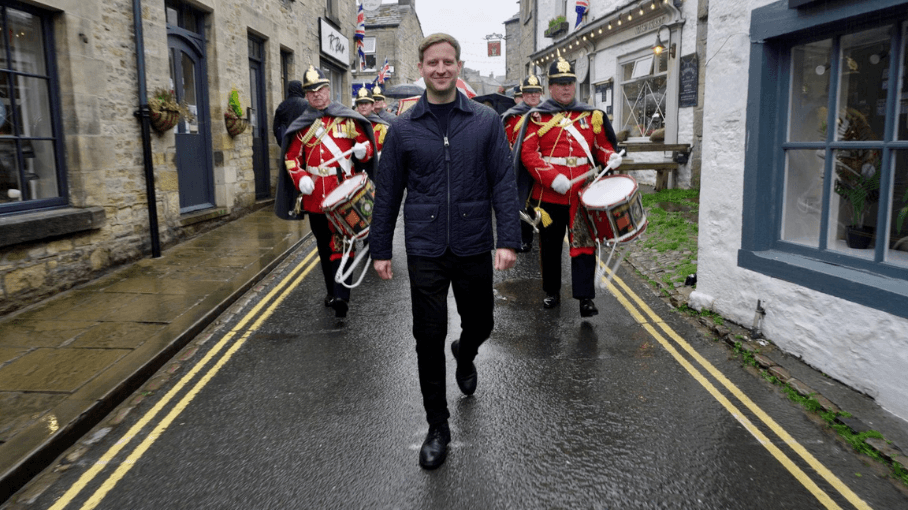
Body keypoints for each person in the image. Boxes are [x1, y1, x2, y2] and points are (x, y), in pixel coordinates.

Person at [370, 33, 520, 470]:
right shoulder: (403, 128)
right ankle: (438, 426)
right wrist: (380, 248)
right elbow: (387, 192)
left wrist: (508, 239)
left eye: (447, 62)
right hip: (425, 247)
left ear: (458, 65)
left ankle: (466, 352)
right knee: (428, 336)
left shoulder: (485, 121)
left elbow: (503, 182)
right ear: (421, 68)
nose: (440, 69)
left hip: (473, 242)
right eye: (432, 62)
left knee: (482, 322)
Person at [514, 56, 622, 318]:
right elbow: (529, 154)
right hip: (549, 194)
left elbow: (600, 146)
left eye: (569, 83)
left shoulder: (591, 115)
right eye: (560, 83)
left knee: (584, 243)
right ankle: (552, 291)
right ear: (550, 87)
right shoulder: (537, 117)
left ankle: (585, 298)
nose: (565, 88)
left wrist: (610, 157)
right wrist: (552, 178)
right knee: (550, 246)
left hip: (582, 192)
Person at [274, 65, 376, 318]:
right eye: (311, 92)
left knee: (343, 242)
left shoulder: (347, 119)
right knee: (323, 245)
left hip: (343, 196)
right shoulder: (302, 125)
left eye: (320, 89)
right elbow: (291, 158)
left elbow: (366, 148)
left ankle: (342, 295)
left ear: (329, 90)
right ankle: (332, 291)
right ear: (306, 95)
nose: (316, 94)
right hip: (315, 198)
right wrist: (300, 178)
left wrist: (363, 150)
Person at [502, 75, 544, 252]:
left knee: (543, 202)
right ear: (523, 94)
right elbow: (506, 138)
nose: (533, 95)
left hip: (545, 164)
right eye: (529, 92)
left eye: (536, 92)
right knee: (523, 203)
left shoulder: (548, 112)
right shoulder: (513, 116)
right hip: (522, 167)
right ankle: (525, 239)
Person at [353, 88, 390, 157]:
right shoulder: (351, 124)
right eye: (360, 104)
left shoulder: (383, 127)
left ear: (372, 106)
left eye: (366, 103)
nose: (363, 106)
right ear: (357, 107)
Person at [272, 80, 308, 144]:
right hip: (303, 140)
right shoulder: (306, 104)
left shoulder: (282, 105)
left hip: (286, 141)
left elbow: (276, 127)